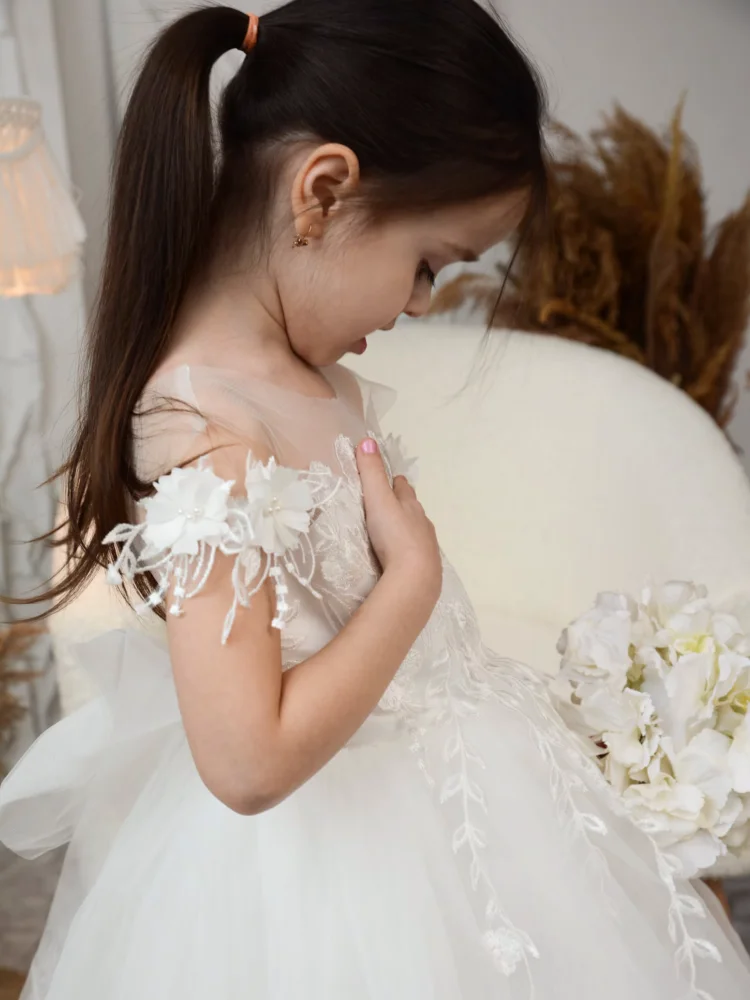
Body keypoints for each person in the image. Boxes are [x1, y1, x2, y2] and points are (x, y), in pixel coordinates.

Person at [1, 2, 749, 997]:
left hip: (468, 797)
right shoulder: (208, 431)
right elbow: (248, 760)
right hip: (332, 867)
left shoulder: (318, 381)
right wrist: (413, 582)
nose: (421, 303)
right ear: (323, 191)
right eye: (431, 263)